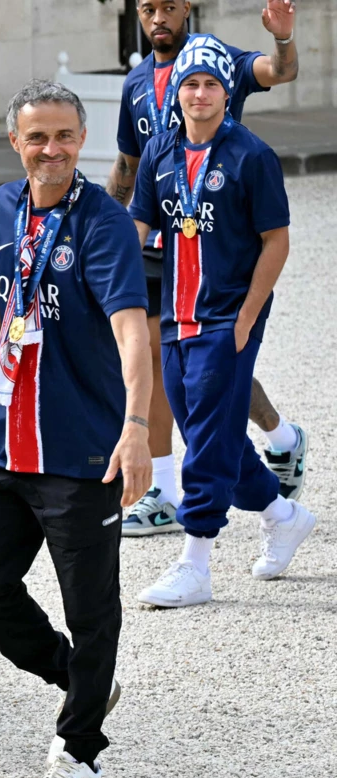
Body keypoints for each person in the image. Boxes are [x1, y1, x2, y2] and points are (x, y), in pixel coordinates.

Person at [0, 80, 151, 778]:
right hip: (4, 441)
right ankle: (81, 679)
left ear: (83, 140)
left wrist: (136, 429)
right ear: (16, 141)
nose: (52, 150)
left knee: (91, 606)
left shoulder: (103, 223)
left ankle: (81, 754)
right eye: (38, 137)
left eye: (65, 136)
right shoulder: (0, 208)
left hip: (81, 449)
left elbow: (133, 332)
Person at [129, 36, 317, 608]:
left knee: (205, 441)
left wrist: (247, 319)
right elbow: (136, 229)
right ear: (178, 93)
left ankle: (196, 563)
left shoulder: (251, 155)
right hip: (175, 316)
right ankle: (284, 515)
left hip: (228, 317)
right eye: (191, 83)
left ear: (227, 91)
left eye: (212, 83)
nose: (201, 93)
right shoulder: (160, 154)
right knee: (211, 432)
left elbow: (276, 241)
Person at [106, 0, 305, 536]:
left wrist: (283, 39)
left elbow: (281, 70)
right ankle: (173, 489)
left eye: (169, 6)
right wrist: (102, 235)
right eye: (148, 7)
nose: (158, 17)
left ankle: (274, 438)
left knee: (211, 379)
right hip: (162, 235)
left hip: (218, 240)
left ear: (187, 8)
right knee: (171, 371)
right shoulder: (136, 85)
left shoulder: (217, 59)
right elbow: (127, 166)